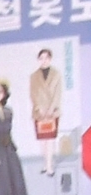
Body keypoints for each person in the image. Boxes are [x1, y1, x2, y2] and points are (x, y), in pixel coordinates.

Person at [32, 48, 63, 178]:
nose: (44, 60)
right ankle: (45, 164)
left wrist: (51, 109)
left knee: (50, 139)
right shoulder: (34, 76)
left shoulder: (57, 74)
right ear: (38, 60)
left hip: (53, 112)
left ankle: (50, 167)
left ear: (50, 59)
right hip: (39, 112)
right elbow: (32, 93)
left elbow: (58, 93)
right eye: (41, 58)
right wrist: (40, 108)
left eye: (46, 58)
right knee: (42, 140)